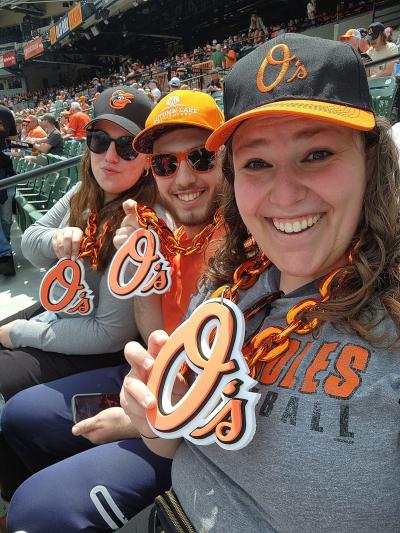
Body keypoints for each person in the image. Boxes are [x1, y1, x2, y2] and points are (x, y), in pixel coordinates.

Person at [119, 33, 400, 532]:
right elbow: (172, 444)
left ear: (370, 162)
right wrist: (150, 417)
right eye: (257, 163)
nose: (285, 193)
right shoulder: (227, 284)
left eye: (316, 154)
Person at [2, 90, 225, 533]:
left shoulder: (235, 238)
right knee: (21, 417)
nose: (183, 177)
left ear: (229, 163)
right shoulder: (144, 225)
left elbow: (115, 335)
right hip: (153, 376)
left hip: (182, 409)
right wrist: (137, 276)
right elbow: (154, 334)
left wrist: (146, 419)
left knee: (36, 495)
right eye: (166, 163)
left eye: (200, 158)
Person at [0, 86, 157, 505]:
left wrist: (20, 334)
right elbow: (31, 242)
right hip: (63, 313)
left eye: (127, 146)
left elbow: (109, 333)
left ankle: (22, 493)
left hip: (94, 346)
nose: (110, 156)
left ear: (148, 157)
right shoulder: (84, 192)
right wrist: (55, 240)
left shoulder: (141, 220)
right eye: (99, 141)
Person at [0, 103, 17, 277]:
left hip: (6, 172)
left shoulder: (5, 112)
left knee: (6, 218)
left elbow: (12, 142)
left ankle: (5, 252)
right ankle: (5, 254)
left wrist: (30, 150)